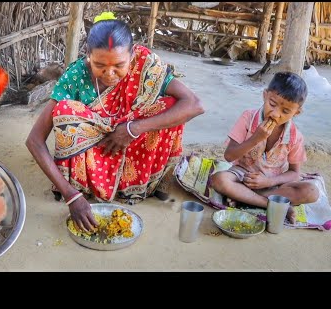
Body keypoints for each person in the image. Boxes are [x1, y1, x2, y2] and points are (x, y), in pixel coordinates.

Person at [26, 12, 204, 232]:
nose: (109, 73)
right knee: (65, 110)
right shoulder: (75, 77)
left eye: (119, 65)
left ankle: (146, 185)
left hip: (133, 146)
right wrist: (71, 196)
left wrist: (133, 128)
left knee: (171, 106)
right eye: (99, 64)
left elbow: (195, 104)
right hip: (96, 154)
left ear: (132, 55)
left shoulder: (146, 65)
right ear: (88, 56)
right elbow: (34, 140)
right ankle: (83, 188)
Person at [211, 71, 319, 224]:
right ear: (265, 95)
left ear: (297, 112)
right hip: (242, 176)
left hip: (273, 184)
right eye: (272, 104)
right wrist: (255, 139)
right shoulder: (248, 118)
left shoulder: (295, 136)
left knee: (312, 192)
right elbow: (229, 156)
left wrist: (269, 182)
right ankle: (271, 205)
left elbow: (294, 173)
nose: (275, 114)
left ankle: (244, 199)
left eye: (286, 111)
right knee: (219, 180)